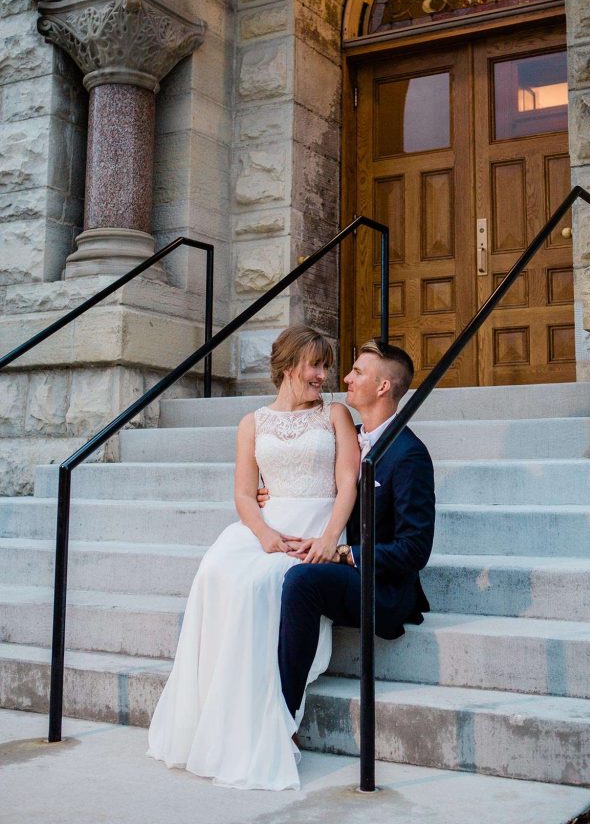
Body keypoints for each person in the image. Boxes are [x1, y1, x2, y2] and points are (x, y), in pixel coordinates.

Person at [147, 325, 360, 790]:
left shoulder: (335, 415)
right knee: (215, 571)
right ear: (287, 366)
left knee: (262, 584)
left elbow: (348, 482)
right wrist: (264, 534)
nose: (322, 375)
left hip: (315, 525)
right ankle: (217, 715)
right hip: (266, 527)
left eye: (326, 366)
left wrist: (329, 539)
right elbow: (245, 494)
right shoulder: (252, 423)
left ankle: (276, 715)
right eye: (314, 364)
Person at [260, 339, 435, 729]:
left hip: (381, 586)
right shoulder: (344, 436)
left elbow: (414, 549)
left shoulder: (409, 455)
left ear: (383, 387)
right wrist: (270, 493)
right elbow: (310, 479)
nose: (345, 378)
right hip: (336, 561)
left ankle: (282, 720)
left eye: (357, 372)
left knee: (302, 581)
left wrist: (343, 552)